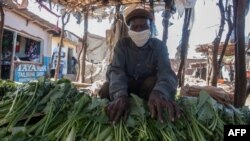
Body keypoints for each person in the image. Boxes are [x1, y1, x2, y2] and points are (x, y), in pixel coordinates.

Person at [99, 7, 179, 123]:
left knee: (153, 83)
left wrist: (160, 92)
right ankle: (114, 109)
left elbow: (166, 72)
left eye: (143, 26)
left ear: (150, 28)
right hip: (126, 87)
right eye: (135, 27)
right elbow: (116, 71)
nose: (139, 30)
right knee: (106, 88)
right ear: (129, 30)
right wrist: (120, 95)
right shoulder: (122, 45)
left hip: (146, 91)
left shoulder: (159, 46)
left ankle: (150, 109)